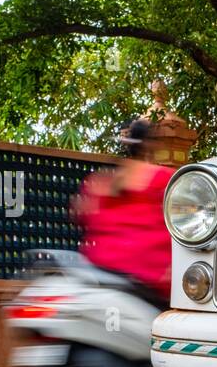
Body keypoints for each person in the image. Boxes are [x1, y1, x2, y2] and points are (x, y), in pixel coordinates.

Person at [74, 120, 175, 307]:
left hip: (100, 266)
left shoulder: (101, 182)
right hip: (147, 274)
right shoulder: (163, 178)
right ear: (151, 145)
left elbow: (82, 213)